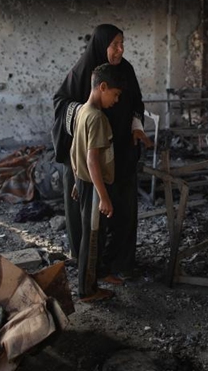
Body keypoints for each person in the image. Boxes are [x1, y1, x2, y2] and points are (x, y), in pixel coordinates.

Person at [52, 24, 152, 283]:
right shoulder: (83, 73)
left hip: (120, 151)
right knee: (92, 214)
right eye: (115, 44)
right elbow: (62, 104)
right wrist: (89, 116)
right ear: (101, 44)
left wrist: (136, 126)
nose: (121, 49)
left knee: (122, 207)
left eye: (123, 44)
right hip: (90, 155)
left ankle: (120, 262)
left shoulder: (126, 70)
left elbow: (136, 102)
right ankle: (91, 268)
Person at [70, 63, 123, 302]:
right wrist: (103, 196)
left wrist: (76, 180)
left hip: (84, 182)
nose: (117, 100)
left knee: (96, 236)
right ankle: (87, 291)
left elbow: (75, 151)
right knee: (91, 239)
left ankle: (95, 278)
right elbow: (92, 160)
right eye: (115, 94)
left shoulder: (82, 110)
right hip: (93, 187)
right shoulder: (98, 118)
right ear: (103, 87)